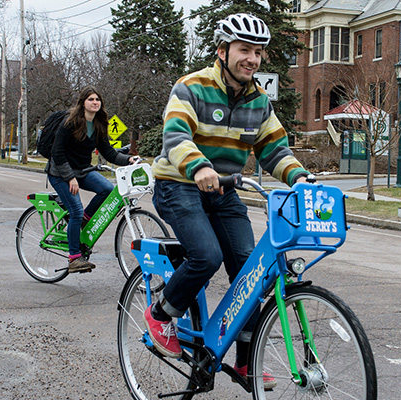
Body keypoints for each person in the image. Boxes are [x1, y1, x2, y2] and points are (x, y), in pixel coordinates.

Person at [143, 13, 309, 388]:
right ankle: (161, 313)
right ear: (222, 51)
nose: (252, 58)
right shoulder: (192, 86)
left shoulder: (259, 101)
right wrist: (199, 167)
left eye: (258, 52)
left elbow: (274, 148)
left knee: (252, 273)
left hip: (224, 190)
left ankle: (246, 363)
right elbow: (176, 135)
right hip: (179, 184)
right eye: (244, 50)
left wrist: (299, 176)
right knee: (207, 256)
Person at [45, 86, 138, 273]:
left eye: (98, 99)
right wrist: (69, 177)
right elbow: (57, 152)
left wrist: (128, 159)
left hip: (82, 170)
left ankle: (83, 221)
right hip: (60, 173)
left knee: (107, 189)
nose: (95, 102)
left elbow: (109, 153)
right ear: (83, 103)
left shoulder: (98, 125)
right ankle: (74, 258)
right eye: (91, 99)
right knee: (76, 210)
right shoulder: (69, 123)